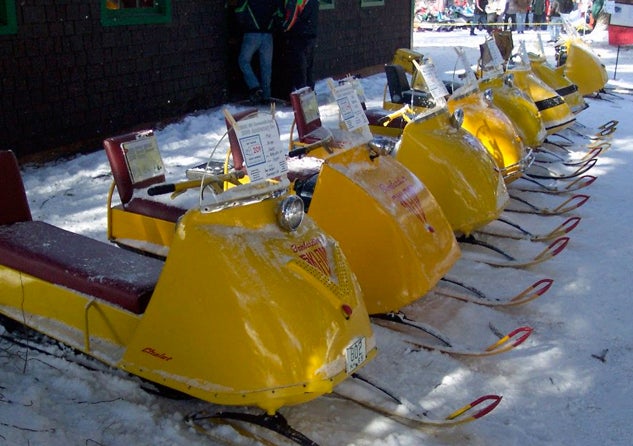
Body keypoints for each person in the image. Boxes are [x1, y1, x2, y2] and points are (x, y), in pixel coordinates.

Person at [235, 0, 278, 104]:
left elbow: (239, 11)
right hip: (268, 34)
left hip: (252, 33)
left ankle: (254, 87)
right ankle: (266, 96)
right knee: (266, 66)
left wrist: (244, 24)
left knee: (243, 61)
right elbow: (279, 14)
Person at [280, 0, 319, 95]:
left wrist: (283, 28)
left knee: (299, 69)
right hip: (310, 36)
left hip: (299, 37)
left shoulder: (299, 1)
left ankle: (302, 97)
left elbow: (292, 19)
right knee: (308, 68)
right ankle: (310, 96)